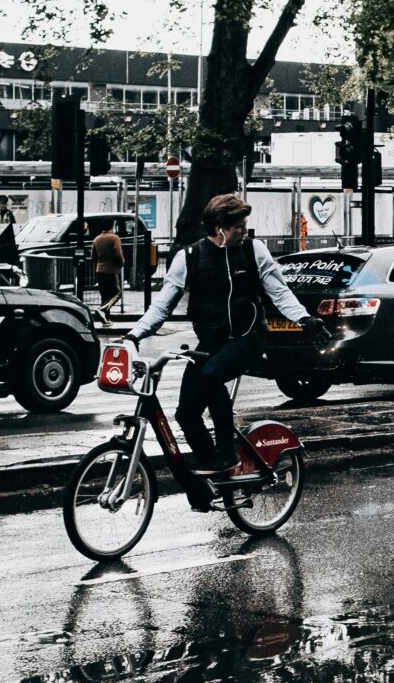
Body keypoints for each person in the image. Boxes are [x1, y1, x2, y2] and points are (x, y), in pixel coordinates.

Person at [129, 194, 330, 505]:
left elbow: (279, 291)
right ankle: (214, 480)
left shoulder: (253, 251)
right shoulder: (190, 257)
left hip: (248, 339)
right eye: (238, 227)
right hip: (210, 344)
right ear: (219, 228)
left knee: (210, 377)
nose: (244, 232)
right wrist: (134, 335)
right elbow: (162, 306)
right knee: (185, 413)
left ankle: (226, 453)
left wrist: (304, 318)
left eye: (245, 226)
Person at [90, 221, 126, 315]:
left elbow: (93, 256)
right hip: (112, 270)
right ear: (112, 226)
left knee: (104, 295)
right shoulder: (115, 238)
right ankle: (102, 310)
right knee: (117, 293)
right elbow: (117, 253)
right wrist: (122, 263)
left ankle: (106, 319)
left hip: (100, 270)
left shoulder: (97, 239)